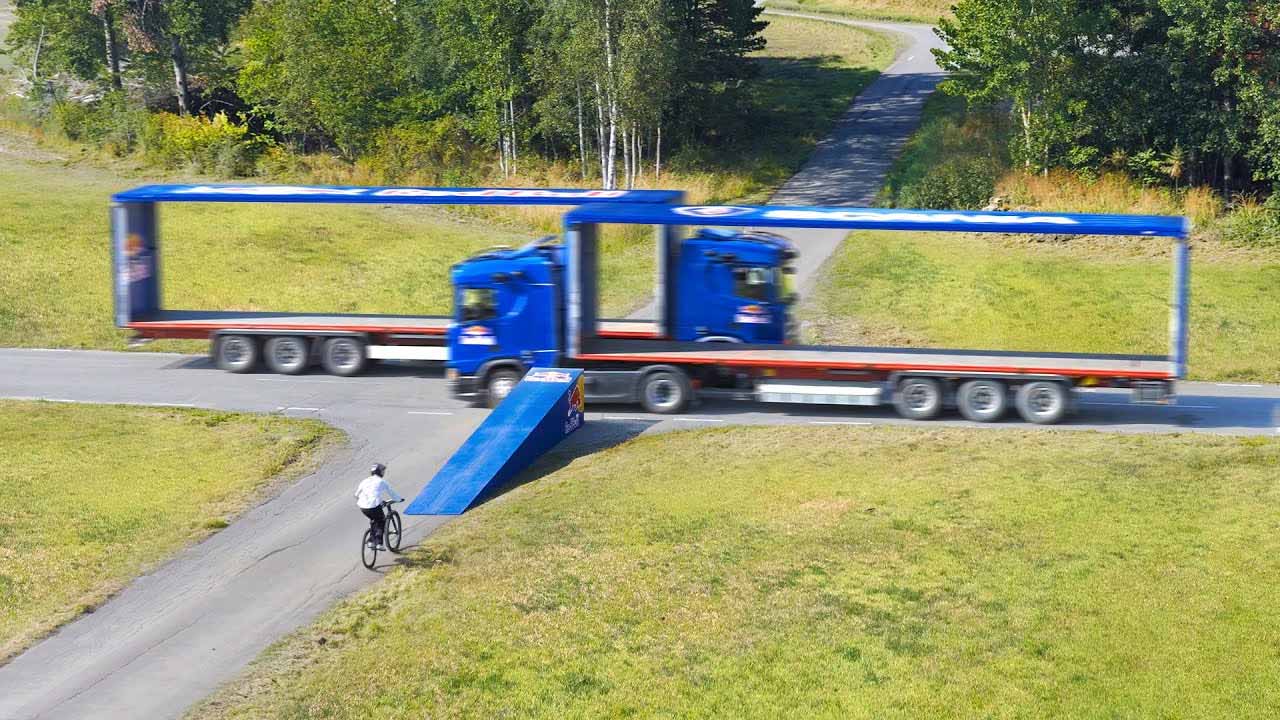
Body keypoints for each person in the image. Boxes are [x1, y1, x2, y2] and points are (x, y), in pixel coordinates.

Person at [354, 463, 403, 550]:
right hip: (374, 505)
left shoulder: (364, 481)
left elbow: (356, 495)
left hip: (363, 507)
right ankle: (379, 544)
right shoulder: (381, 481)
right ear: (379, 472)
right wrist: (399, 499)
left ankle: (370, 541)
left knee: (374, 521)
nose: (384, 473)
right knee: (381, 522)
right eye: (383, 471)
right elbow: (392, 493)